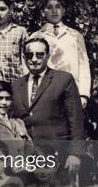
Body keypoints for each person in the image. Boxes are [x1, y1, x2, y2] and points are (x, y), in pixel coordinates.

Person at [11, 38, 84, 172]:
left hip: (58, 154)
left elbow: (76, 118)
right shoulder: (16, 85)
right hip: (28, 158)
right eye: (29, 55)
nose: (34, 59)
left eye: (39, 54)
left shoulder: (63, 80)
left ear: (48, 56)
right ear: (24, 57)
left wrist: (75, 153)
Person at [30, 0, 91, 108]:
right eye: (49, 7)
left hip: (71, 93)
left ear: (63, 10)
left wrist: (83, 94)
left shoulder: (75, 36)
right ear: (43, 12)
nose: (54, 11)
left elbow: (83, 65)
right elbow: (30, 67)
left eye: (58, 7)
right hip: (44, 94)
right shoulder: (36, 36)